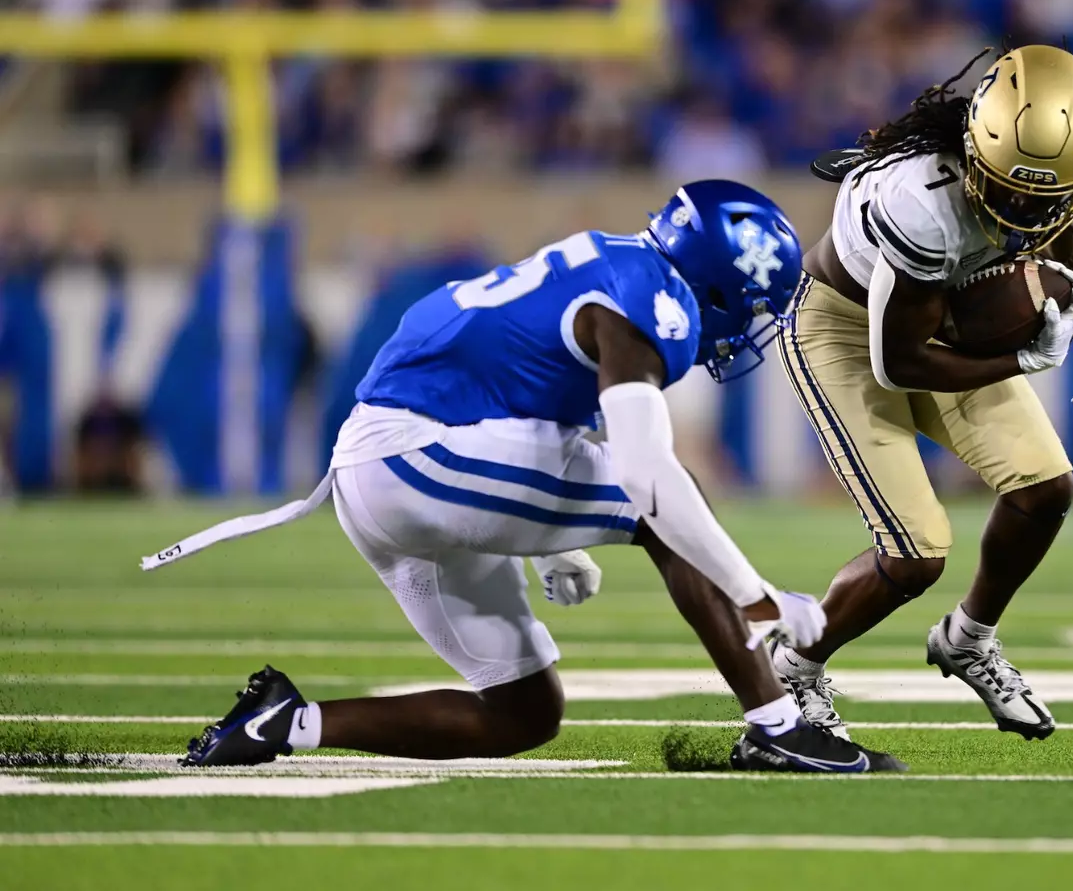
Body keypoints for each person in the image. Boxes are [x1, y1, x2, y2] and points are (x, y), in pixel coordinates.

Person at [142, 180, 904, 774]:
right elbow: (646, 477)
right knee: (670, 508)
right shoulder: (653, 300)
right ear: (715, 282)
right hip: (419, 458)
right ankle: (778, 728)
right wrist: (755, 595)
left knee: (521, 713)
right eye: (748, 304)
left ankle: (286, 723)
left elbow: (520, 393)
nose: (746, 324)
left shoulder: (611, 261)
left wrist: (551, 541)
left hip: (383, 472)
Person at [775, 46, 1073, 740]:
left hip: (941, 313)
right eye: (1009, 191)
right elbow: (898, 362)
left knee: (1044, 488)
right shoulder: (921, 204)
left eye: (1042, 199)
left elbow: (1068, 245)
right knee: (915, 554)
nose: (1022, 213)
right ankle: (791, 668)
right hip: (845, 327)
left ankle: (968, 639)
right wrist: (1020, 358)